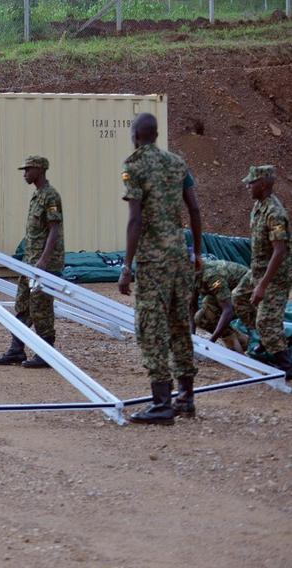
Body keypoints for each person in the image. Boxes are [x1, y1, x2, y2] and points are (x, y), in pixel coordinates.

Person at [118, 113, 202, 424]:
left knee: (151, 329)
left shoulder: (134, 166)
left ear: (136, 135)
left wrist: (127, 265)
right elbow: (194, 208)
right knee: (181, 325)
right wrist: (198, 255)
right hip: (180, 258)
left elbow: (135, 219)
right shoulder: (178, 163)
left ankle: (161, 403)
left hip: (154, 262)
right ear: (155, 134)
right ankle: (186, 397)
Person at [0, 155, 64, 368]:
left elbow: (54, 230)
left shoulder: (50, 196)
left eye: (28, 170)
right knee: (22, 303)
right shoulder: (37, 196)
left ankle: (46, 352)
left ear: (39, 170)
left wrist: (44, 260)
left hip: (44, 264)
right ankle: (16, 349)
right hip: (29, 261)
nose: (25, 174)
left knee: (41, 306)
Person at [234, 165, 292, 379]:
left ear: (264, 184)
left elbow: (280, 251)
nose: (248, 185)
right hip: (257, 270)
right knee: (239, 298)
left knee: (267, 320)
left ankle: (287, 366)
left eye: (252, 182)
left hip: (275, 276)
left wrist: (263, 285)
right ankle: (264, 342)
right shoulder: (258, 206)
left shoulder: (275, 213)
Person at [190, 257, 249, 354]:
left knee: (208, 303)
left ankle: (234, 347)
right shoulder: (191, 276)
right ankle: (243, 342)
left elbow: (228, 310)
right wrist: (191, 338)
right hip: (231, 296)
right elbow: (192, 306)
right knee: (200, 318)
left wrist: (211, 343)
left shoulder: (211, 275)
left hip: (248, 296)